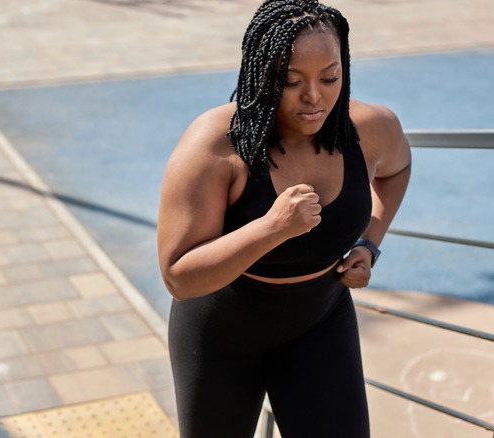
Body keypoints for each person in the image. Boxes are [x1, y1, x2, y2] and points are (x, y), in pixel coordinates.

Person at [156, 0, 412, 436]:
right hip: (221, 332)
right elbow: (179, 276)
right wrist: (271, 228)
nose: (315, 97)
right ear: (260, 75)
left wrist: (370, 242)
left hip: (320, 319)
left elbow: (398, 169)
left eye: (330, 77)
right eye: (292, 81)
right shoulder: (216, 144)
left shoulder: (370, 128)